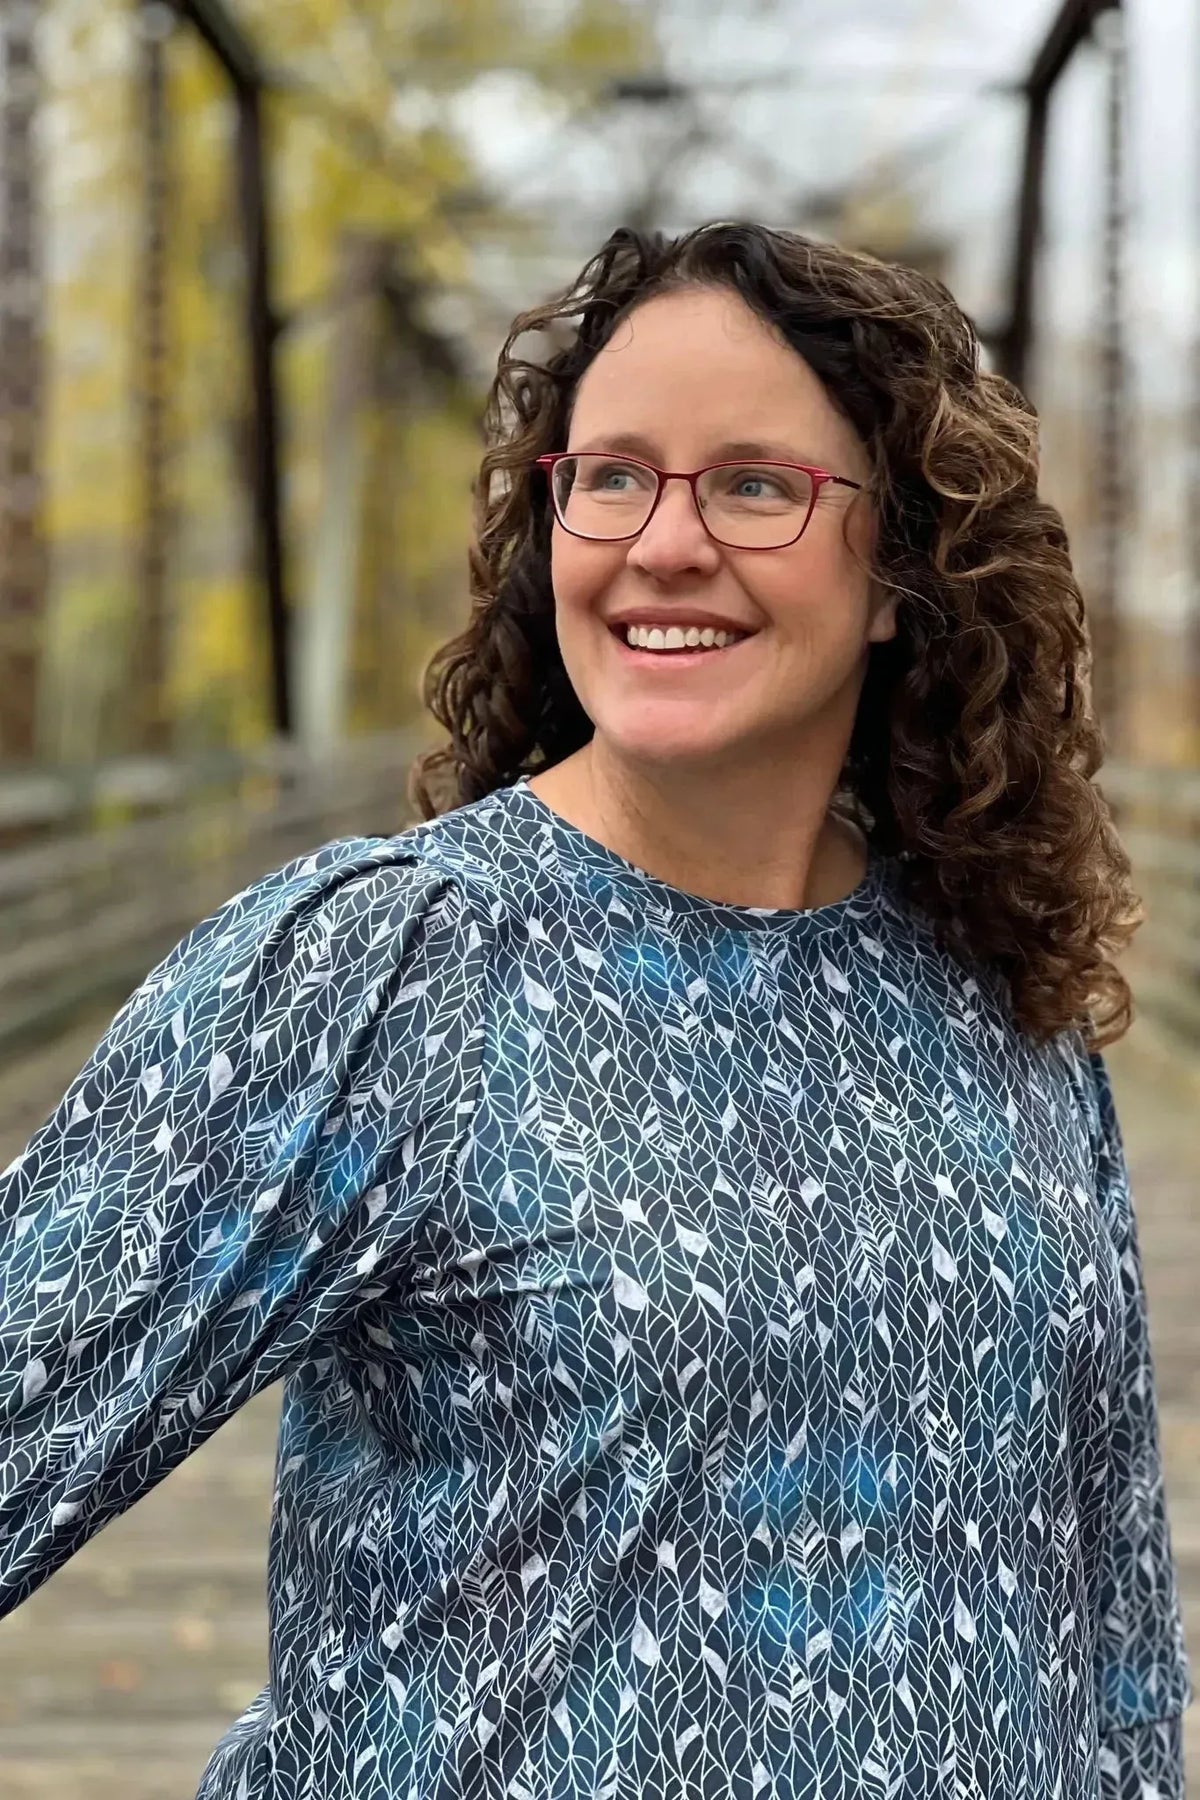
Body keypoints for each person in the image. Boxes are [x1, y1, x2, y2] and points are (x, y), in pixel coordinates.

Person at [0, 221, 1191, 1800]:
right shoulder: (395, 970)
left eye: (758, 485)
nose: (664, 543)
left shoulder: (995, 981)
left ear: (906, 574)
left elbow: (1108, 1622)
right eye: (611, 474)